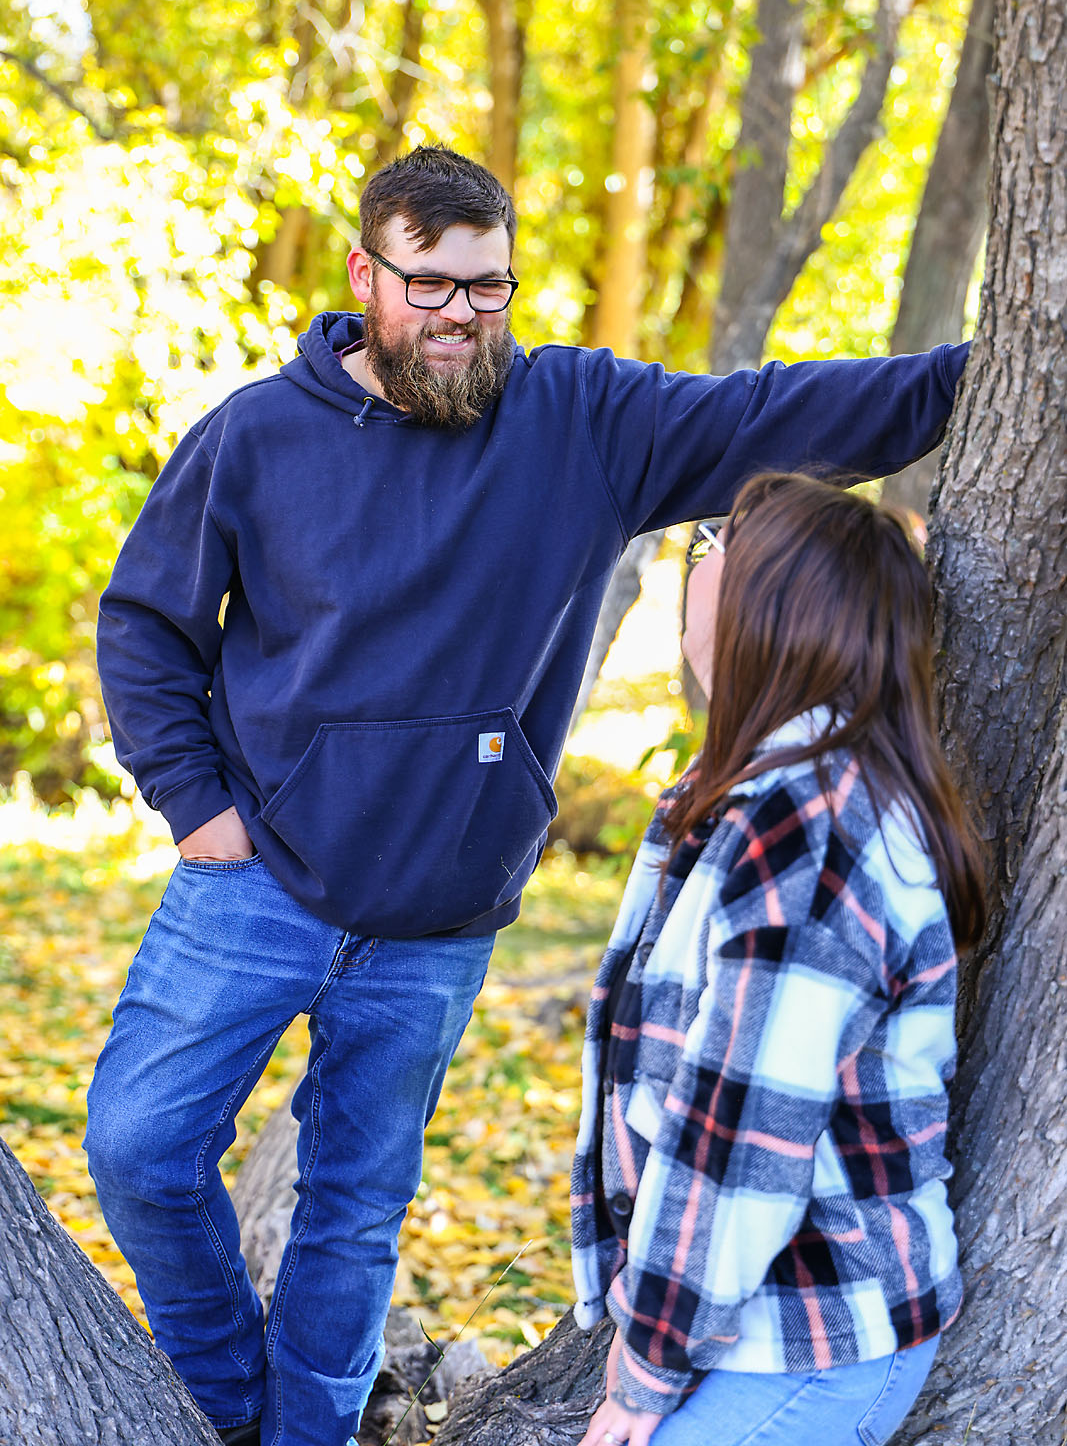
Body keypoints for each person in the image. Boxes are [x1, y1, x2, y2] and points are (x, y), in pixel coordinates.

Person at [87, 145, 970, 1446]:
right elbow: (145, 623)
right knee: (134, 1145)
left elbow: (776, 412)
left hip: (436, 921)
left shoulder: (576, 424)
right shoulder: (255, 439)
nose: (459, 316)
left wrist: (984, 373)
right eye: (429, 286)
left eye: (486, 289)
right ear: (364, 275)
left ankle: (304, 1437)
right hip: (257, 879)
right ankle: (225, 1402)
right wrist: (197, 807)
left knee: (353, 1206)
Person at [571, 473, 986, 1446]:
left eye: (718, 543)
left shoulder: (807, 828)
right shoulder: (752, 796)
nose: (697, 556)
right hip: (751, 1319)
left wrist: (640, 1371)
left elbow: (739, 1137)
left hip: (810, 1337)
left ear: (781, 602)